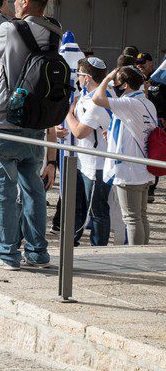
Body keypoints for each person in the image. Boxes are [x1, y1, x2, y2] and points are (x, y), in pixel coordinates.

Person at [0, 0, 64, 270]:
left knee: (3, 193)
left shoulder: (11, 29)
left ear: (23, 0)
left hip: (2, 121)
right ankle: (37, 254)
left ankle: (7, 254)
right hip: (33, 123)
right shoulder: (54, 30)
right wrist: (6, 11)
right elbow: (26, 30)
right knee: (33, 190)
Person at [90, 65, 157, 245]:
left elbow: (97, 98)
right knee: (141, 216)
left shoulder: (129, 102)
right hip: (143, 166)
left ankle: (137, 256)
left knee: (132, 218)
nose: (114, 84)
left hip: (130, 170)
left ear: (125, 85)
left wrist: (106, 78)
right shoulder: (146, 102)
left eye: (116, 81)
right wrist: (113, 133)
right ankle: (143, 253)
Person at [69, 58, 114, 246]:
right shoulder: (89, 95)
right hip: (83, 161)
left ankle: (99, 248)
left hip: (97, 165)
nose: (77, 78)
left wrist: (66, 114)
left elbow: (80, 132)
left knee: (97, 212)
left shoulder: (99, 101)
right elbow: (76, 120)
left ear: (87, 77)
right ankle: (72, 243)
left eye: (79, 75)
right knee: (79, 207)